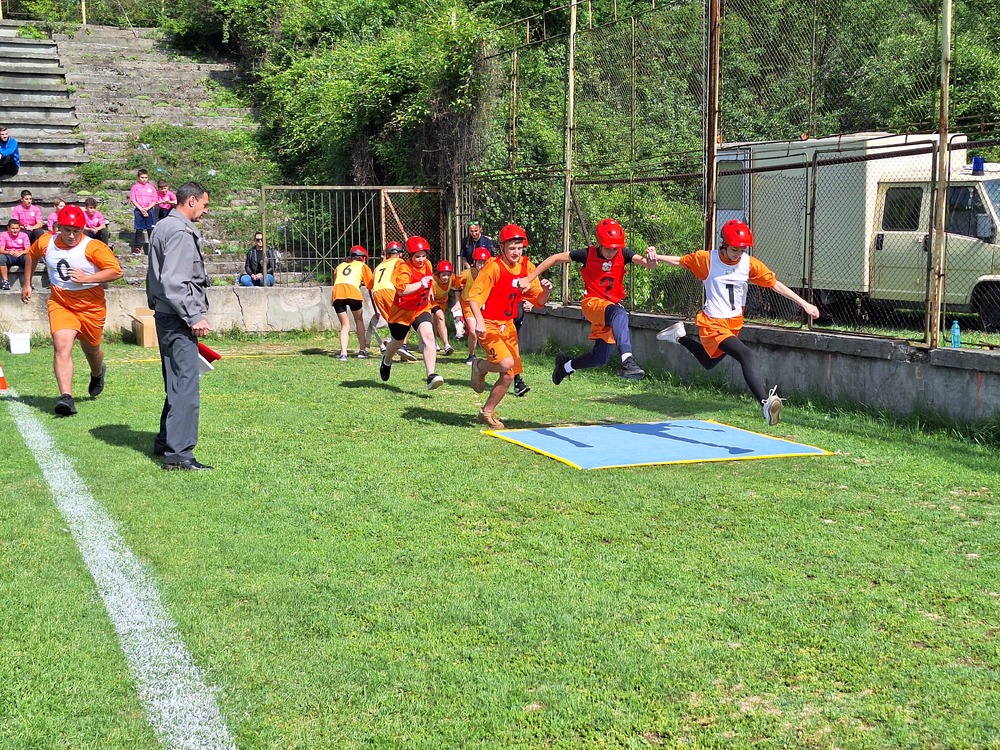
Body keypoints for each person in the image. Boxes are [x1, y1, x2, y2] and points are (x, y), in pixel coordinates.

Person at [652, 219, 820, 425]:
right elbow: (680, 261)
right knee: (746, 354)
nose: (738, 254)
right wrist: (656, 256)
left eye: (742, 250)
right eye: (734, 249)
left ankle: (679, 336)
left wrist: (804, 303)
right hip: (713, 323)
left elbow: (775, 284)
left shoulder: (748, 264)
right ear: (724, 244)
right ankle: (765, 403)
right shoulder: (707, 260)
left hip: (733, 325)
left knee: (708, 362)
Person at [521, 217, 658, 386]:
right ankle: (627, 360)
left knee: (600, 357)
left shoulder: (624, 254)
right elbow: (555, 258)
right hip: (593, 304)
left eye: (615, 249)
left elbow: (649, 265)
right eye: (608, 248)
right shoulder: (587, 254)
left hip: (608, 309)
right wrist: (529, 278)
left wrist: (651, 257)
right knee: (620, 313)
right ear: (599, 243)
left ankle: (565, 366)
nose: (611, 252)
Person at [20, 205, 123, 415]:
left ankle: (97, 372)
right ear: (58, 227)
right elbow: (31, 255)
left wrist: (87, 278)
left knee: (92, 350)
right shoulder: (46, 242)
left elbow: (116, 271)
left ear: (83, 229)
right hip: (61, 304)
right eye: (67, 230)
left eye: (77, 231)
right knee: (61, 346)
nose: (72, 235)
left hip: (91, 307)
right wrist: (27, 284)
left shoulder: (93, 247)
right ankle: (66, 398)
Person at [146, 182, 213, 470]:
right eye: (204, 205)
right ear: (191, 201)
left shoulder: (163, 226)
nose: (205, 211)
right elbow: (174, 282)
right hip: (177, 317)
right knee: (185, 385)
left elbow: (157, 278)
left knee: (176, 381)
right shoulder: (181, 231)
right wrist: (194, 315)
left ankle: (166, 441)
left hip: (165, 314)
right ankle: (179, 455)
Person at [467, 223, 552, 429]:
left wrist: (547, 291)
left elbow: (538, 301)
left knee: (509, 375)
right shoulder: (493, 267)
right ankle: (479, 366)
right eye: (512, 248)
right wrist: (479, 321)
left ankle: (486, 412)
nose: (516, 252)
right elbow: (473, 298)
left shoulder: (527, 267)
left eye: (519, 248)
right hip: (489, 324)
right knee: (505, 363)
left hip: (509, 326)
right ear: (502, 247)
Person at [379, 235, 445, 390]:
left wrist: (429, 289)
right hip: (401, 312)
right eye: (417, 257)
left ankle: (431, 376)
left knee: (428, 337)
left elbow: (428, 279)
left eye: (423, 255)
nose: (421, 260)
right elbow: (402, 291)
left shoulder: (427, 264)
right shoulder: (403, 268)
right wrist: (420, 284)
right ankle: (386, 361)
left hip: (420, 308)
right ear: (410, 256)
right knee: (397, 343)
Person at [366, 241, 417, 361]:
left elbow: (370, 286)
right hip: (391, 290)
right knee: (404, 318)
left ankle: (397, 348)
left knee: (393, 322)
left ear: (388, 254)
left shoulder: (379, 266)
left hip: (377, 293)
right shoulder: (400, 262)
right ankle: (402, 346)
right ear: (400, 254)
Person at [332, 245, 374, 359]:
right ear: (363, 258)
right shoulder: (362, 266)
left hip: (337, 293)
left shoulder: (340, 266)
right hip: (353, 292)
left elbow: (336, 280)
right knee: (358, 320)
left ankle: (343, 353)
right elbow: (370, 285)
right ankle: (362, 351)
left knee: (344, 324)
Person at [458, 246, 491, 364]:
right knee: (472, 330)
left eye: (484, 263)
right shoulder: (466, 274)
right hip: (467, 304)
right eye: (480, 262)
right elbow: (457, 287)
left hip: (483, 304)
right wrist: (457, 304)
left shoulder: (490, 275)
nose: (482, 265)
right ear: (474, 262)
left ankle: (491, 354)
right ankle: (471, 355)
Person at [430, 260, 460, 356]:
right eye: (443, 275)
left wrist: (457, 302)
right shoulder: (433, 282)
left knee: (437, 321)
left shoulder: (452, 278)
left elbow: (458, 288)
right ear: (438, 274)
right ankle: (446, 345)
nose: (446, 277)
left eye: (448, 275)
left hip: (442, 302)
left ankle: (433, 341)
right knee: (440, 317)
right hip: (432, 301)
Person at [129, 168, 159, 255]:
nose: (144, 179)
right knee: (139, 230)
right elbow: (133, 199)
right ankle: (137, 248)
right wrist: (141, 209)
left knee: (150, 230)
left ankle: (152, 248)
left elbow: (154, 200)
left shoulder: (151, 188)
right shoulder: (135, 187)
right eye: (142, 177)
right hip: (139, 210)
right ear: (138, 178)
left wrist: (147, 208)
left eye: (146, 177)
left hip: (150, 210)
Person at [0, 219, 30, 291]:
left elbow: (28, 249)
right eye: (13, 228)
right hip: (9, 256)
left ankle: (28, 281)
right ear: (8, 228)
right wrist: (8, 252)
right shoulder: (3, 235)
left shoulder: (24, 235)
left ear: (20, 228)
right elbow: (1, 249)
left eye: (17, 228)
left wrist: (21, 252)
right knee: (1, 257)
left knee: (29, 258)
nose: (15, 230)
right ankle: (5, 281)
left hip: (20, 255)